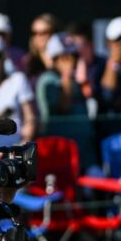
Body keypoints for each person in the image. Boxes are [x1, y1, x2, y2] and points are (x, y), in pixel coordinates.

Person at [37, 33, 96, 170]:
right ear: (55, 59)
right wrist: (67, 75)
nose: (70, 62)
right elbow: (64, 106)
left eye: (73, 57)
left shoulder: (79, 79)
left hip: (84, 152)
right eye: (64, 58)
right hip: (60, 154)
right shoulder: (47, 80)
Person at [22, 13, 60, 80]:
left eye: (44, 32)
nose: (39, 37)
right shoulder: (27, 62)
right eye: (35, 33)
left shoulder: (64, 59)